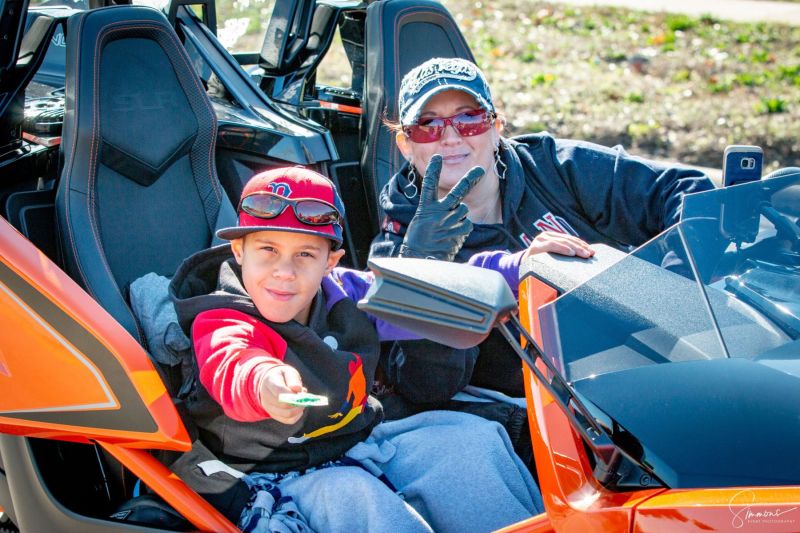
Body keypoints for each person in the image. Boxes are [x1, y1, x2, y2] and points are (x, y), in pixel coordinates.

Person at [167, 167, 542, 532]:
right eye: (267, 249)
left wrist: (524, 265)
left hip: (357, 440)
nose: (284, 270)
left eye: (305, 255)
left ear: (330, 262)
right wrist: (264, 381)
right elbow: (231, 361)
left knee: (468, 441)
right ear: (238, 251)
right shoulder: (224, 318)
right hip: (273, 469)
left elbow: (430, 287)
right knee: (355, 497)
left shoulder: (346, 292)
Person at [371, 57, 715, 398]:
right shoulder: (400, 245)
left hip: (652, 363)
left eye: (469, 118)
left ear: (496, 127)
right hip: (553, 417)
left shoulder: (552, 165)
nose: (450, 137)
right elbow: (426, 387)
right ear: (405, 143)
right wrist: (427, 273)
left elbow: (688, 191)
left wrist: (677, 289)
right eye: (428, 125)